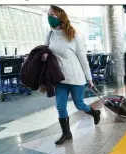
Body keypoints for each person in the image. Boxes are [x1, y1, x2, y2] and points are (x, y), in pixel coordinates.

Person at [42, 5, 101, 145]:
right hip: (60, 79)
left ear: (60, 17)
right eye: (48, 14)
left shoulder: (73, 36)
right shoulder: (49, 35)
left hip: (76, 78)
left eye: (52, 15)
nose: (49, 17)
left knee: (79, 105)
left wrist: (89, 79)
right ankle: (66, 134)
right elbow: (44, 50)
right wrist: (43, 55)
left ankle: (94, 113)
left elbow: (83, 59)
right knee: (60, 106)